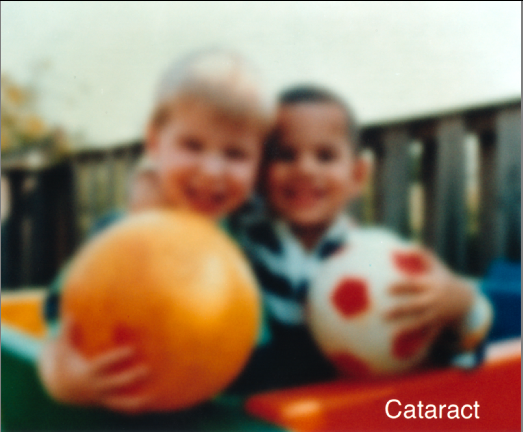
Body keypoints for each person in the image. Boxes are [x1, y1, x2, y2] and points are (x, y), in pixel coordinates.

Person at [38, 49, 275, 413]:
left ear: (258, 163)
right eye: (192, 145)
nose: (212, 170)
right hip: (129, 411)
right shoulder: (119, 238)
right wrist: (60, 378)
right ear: (154, 142)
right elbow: (60, 324)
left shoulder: (252, 240)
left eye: (235, 154)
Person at [228, 85, 493, 393]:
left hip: (345, 408)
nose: (305, 168)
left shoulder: (379, 261)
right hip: (257, 411)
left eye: (325, 156)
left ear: (357, 175)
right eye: (285, 155)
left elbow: (468, 350)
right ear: (259, 172)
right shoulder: (243, 245)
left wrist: (461, 306)